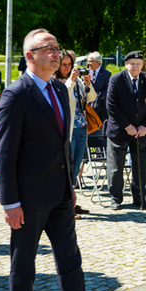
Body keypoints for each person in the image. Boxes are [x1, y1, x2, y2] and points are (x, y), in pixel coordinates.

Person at [0, 28, 120, 291]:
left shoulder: (59, 90)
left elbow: (63, 146)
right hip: (29, 198)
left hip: (61, 195)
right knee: (23, 266)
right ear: (30, 56)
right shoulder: (15, 95)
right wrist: (10, 202)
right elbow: (5, 153)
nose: (55, 53)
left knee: (70, 259)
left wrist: (71, 186)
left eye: (56, 47)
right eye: (47, 48)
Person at [104, 51, 146, 210]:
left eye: (138, 63)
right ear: (126, 63)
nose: (135, 66)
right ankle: (116, 198)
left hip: (140, 132)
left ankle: (140, 198)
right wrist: (127, 126)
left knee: (140, 167)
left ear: (142, 65)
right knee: (116, 168)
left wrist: (145, 127)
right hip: (119, 131)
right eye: (132, 63)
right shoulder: (116, 79)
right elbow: (111, 106)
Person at [57, 51, 93, 215]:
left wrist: (88, 83)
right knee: (67, 166)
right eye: (64, 64)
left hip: (82, 127)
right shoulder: (57, 81)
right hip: (68, 129)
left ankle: (71, 201)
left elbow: (92, 98)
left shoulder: (77, 81)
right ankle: (66, 205)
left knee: (76, 166)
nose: (67, 67)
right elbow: (64, 97)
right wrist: (71, 80)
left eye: (69, 65)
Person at [86, 52, 110, 140]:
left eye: (90, 61)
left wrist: (96, 97)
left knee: (101, 128)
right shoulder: (85, 73)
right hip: (88, 106)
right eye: (88, 61)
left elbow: (108, 90)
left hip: (101, 106)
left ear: (97, 62)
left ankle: (101, 150)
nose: (88, 63)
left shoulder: (106, 73)